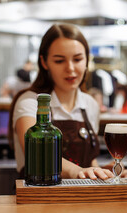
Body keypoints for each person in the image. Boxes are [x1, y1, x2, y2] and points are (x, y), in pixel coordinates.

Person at [8, 23, 114, 180]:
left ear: (87, 60)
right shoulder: (30, 102)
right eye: (59, 61)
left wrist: (100, 171)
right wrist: (75, 172)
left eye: (77, 59)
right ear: (44, 63)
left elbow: (88, 160)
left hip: (82, 201)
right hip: (38, 200)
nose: (70, 68)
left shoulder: (90, 104)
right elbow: (37, 154)